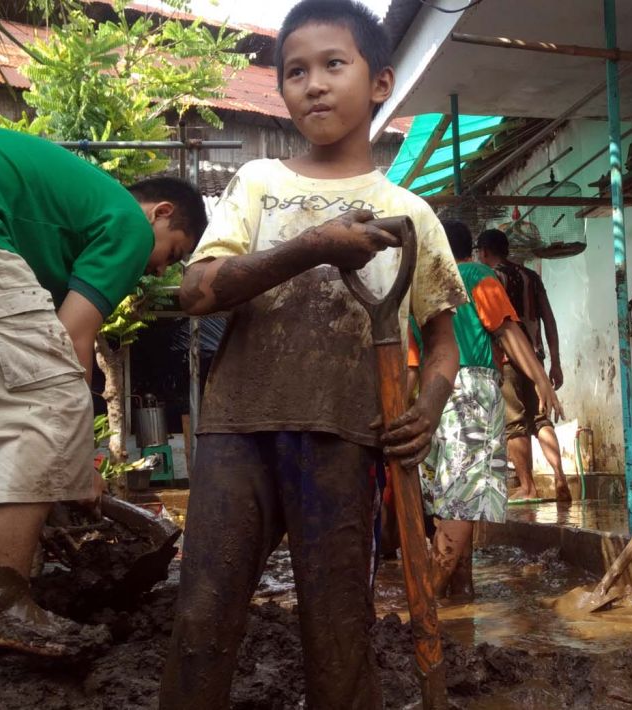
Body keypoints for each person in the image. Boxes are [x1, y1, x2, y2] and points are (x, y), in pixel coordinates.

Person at [159, 2, 466, 708]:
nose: (314, 84)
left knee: (338, 633)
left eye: (334, 65)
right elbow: (197, 292)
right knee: (202, 617)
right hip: (238, 430)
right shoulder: (260, 183)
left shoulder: (409, 212)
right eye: (295, 71)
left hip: (345, 440)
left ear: (381, 82)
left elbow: (442, 339)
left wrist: (428, 405)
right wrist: (313, 246)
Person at [0, 124, 205, 661]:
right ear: (161, 212)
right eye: (173, 251)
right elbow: (70, 341)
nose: (157, 268)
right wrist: (78, 463)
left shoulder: (65, 222)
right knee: (53, 402)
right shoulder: (128, 222)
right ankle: (1, 602)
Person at [411, 219, 563, 600]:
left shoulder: (417, 285)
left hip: (428, 396)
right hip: (470, 391)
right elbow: (507, 331)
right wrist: (541, 379)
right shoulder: (477, 275)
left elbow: (410, 360)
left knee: (448, 500)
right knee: (463, 503)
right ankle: (426, 603)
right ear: (469, 249)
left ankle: (461, 596)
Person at [476, 228, 573, 502]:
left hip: (506, 359)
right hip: (536, 358)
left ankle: (528, 487)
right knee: (541, 418)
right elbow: (550, 321)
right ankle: (559, 475)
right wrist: (555, 363)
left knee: (515, 423)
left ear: (483, 251)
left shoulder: (490, 278)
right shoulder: (531, 276)